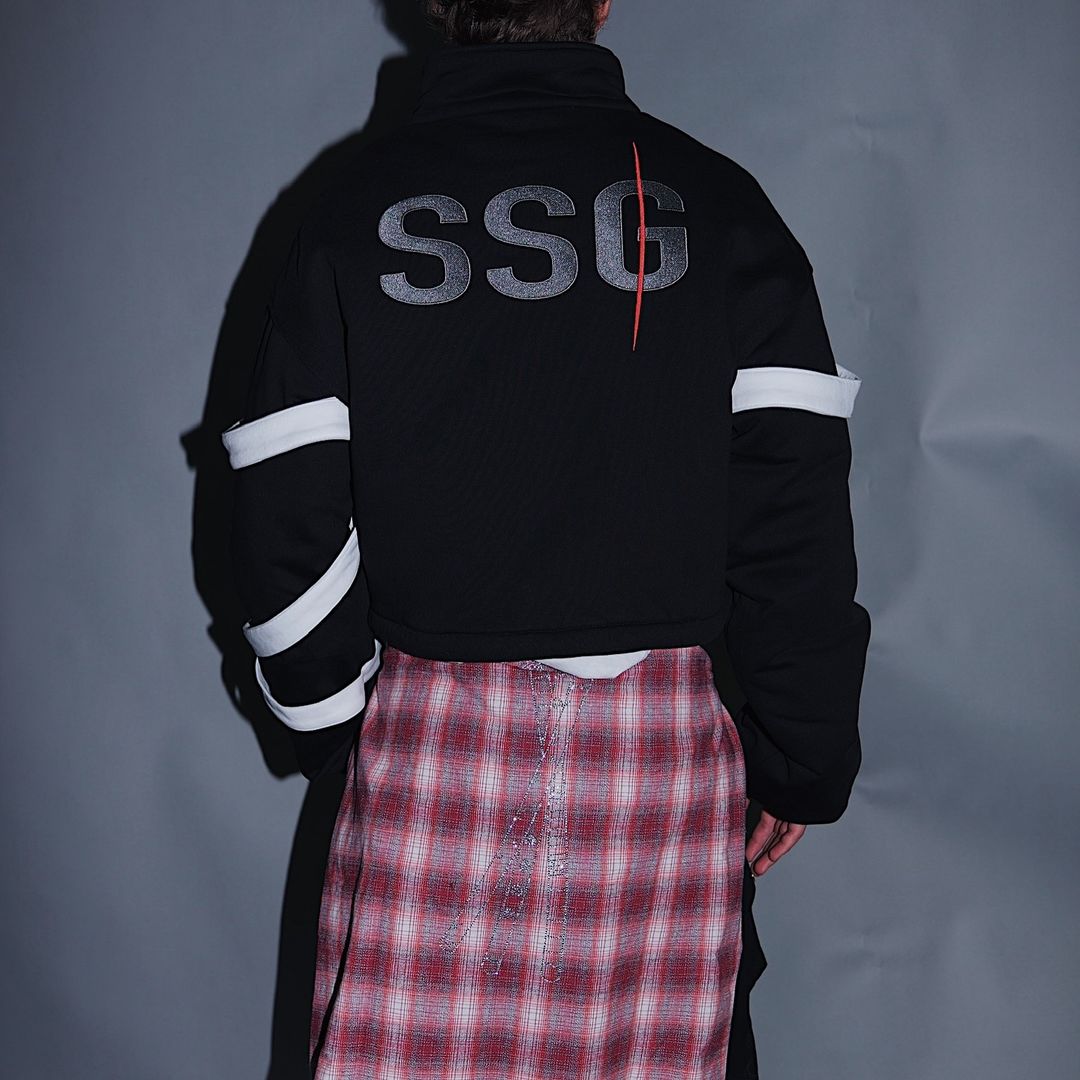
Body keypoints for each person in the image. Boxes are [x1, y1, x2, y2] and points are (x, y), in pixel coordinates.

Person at [220, 1, 871, 1076]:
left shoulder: (345, 211)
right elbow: (792, 517)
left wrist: (335, 726)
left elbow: (284, 511)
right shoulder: (722, 206)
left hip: (430, 764)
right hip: (660, 776)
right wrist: (802, 758)